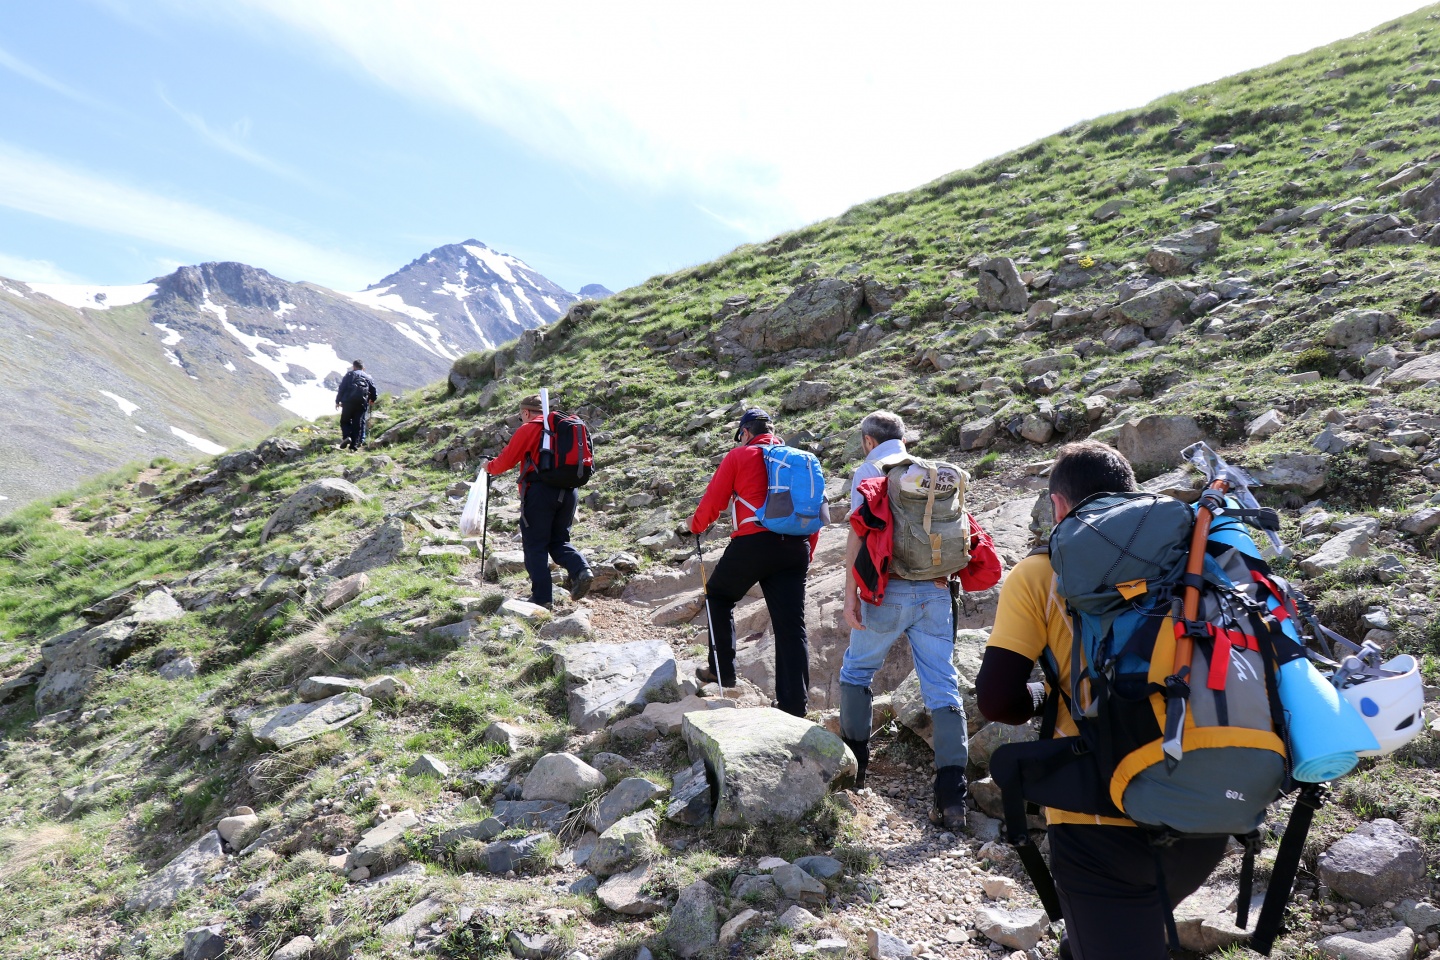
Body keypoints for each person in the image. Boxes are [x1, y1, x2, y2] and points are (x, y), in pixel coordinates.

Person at [974, 441, 1227, 960]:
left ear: (1059, 505)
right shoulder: (1195, 556)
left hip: (1099, 818)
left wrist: (1042, 697)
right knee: (1103, 939)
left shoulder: (1041, 572)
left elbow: (997, 700)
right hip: (1210, 801)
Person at [839, 411, 1000, 830]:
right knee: (942, 686)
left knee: (856, 672)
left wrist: (850, 595)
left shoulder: (874, 472)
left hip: (888, 592)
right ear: (905, 440)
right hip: (937, 591)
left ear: (868, 441)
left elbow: (859, 534)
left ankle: (854, 774)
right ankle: (951, 801)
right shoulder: (933, 478)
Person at [685, 408, 816, 717]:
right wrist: (806, 551)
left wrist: (695, 525)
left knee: (719, 595)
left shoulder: (739, 456)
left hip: (753, 542)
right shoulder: (798, 459)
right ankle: (794, 706)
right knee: (791, 626)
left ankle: (722, 671)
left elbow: (714, 501)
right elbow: (812, 508)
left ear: (745, 433)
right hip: (795, 546)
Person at [486, 394, 594, 608]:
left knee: (535, 545)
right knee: (559, 541)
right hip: (569, 491)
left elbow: (505, 461)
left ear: (526, 412)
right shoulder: (563, 427)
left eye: (521, 416)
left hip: (540, 492)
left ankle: (542, 598)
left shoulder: (529, 428)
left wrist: (487, 467)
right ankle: (582, 570)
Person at [335, 360, 378, 451]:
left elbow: (341, 388)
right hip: (361, 403)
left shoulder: (350, 375)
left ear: (354, 367)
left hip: (348, 402)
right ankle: (353, 446)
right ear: (363, 368)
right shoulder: (368, 377)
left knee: (345, 421)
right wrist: (372, 400)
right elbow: (373, 390)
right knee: (357, 424)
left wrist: (337, 401)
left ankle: (347, 437)